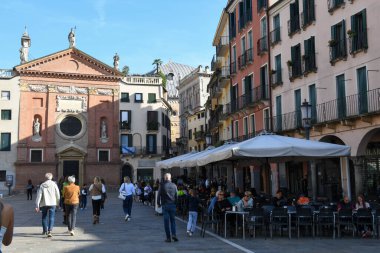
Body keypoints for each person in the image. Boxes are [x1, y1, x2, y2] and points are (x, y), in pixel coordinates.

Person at [35, 173, 60, 238]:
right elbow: (58, 194)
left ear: (45, 178)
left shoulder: (42, 185)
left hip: (44, 203)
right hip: (52, 203)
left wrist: (37, 205)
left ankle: (45, 230)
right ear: (51, 178)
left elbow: (39, 196)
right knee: (51, 217)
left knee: (44, 217)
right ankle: (50, 231)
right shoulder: (54, 184)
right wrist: (58, 203)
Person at [158, 173, 178, 243]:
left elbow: (159, 195)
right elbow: (176, 196)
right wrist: (176, 205)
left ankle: (168, 238)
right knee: (173, 221)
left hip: (165, 205)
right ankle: (174, 234)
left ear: (165, 178)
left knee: (166, 222)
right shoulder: (174, 185)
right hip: (172, 205)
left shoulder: (162, 185)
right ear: (170, 178)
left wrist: (158, 203)